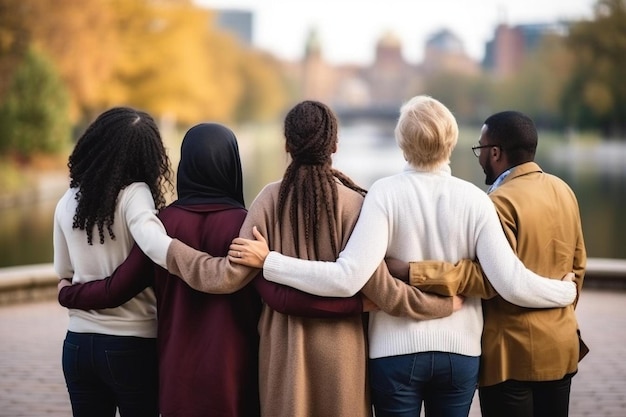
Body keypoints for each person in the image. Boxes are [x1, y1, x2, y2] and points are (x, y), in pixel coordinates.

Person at [229, 96, 578, 417]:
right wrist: (565, 292)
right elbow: (511, 283)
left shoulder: (383, 193)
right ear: (452, 142)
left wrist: (270, 261)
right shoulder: (476, 200)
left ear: (402, 143)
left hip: (394, 352)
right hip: (460, 351)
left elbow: (346, 278)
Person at [161, 100, 459, 417]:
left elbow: (226, 277)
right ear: (334, 145)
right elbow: (383, 289)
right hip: (342, 354)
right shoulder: (356, 203)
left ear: (287, 144)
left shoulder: (268, 200)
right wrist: (441, 305)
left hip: (283, 354)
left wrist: (167, 247)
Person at [57, 123, 262, 416]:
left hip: (177, 368)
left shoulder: (164, 225)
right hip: (234, 368)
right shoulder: (246, 226)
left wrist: (69, 294)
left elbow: (120, 286)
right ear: (232, 163)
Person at [408, 111, 586, 417]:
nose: (479, 159)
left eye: (480, 149)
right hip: (561, 346)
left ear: (495, 152)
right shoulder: (564, 191)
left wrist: (414, 271)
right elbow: (577, 267)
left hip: (511, 355)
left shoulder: (499, 202)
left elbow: (487, 279)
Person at [53, 106, 173, 417]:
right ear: (148, 156)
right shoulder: (136, 194)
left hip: (77, 345)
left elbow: (63, 274)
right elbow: (155, 246)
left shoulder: (67, 200)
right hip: (131, 346)